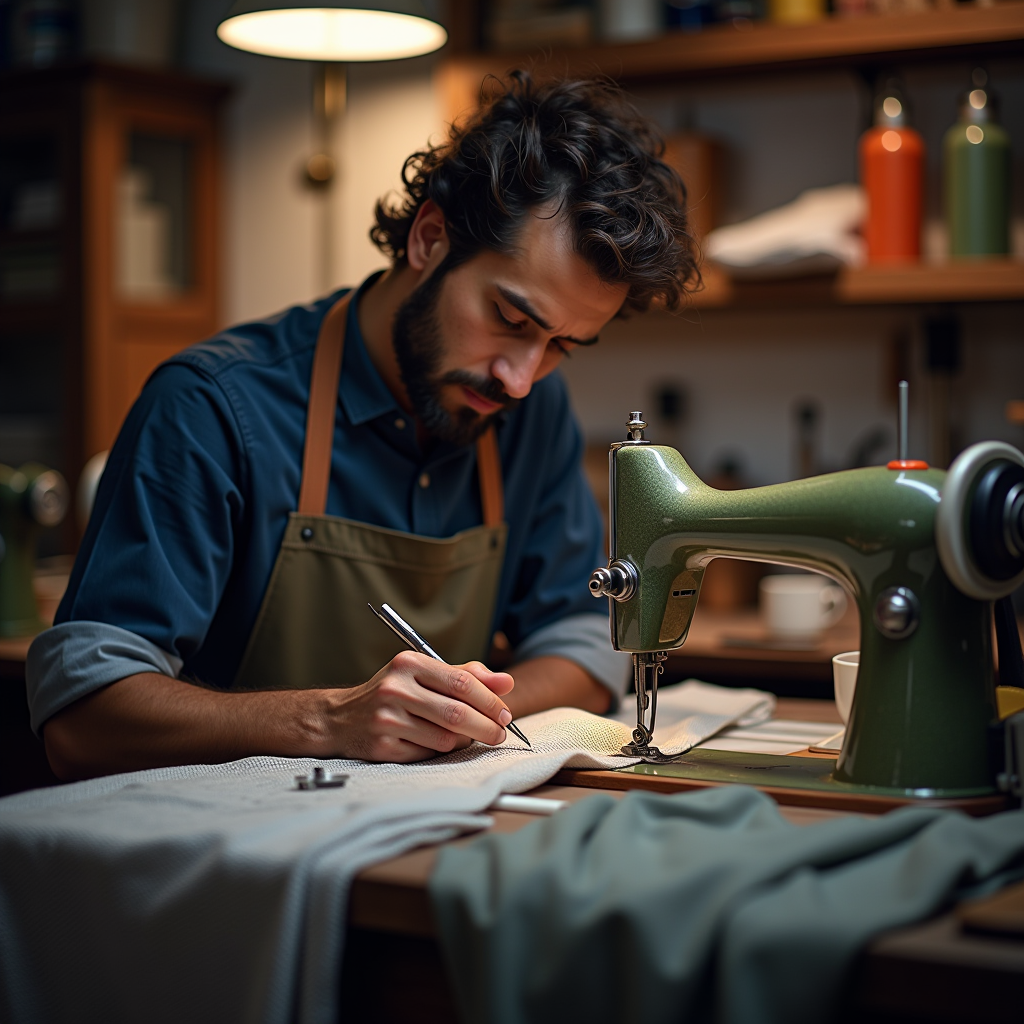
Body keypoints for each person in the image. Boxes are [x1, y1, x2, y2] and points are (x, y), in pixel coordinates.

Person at [28, 71, 698, 780]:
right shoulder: (211, 407)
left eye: (561, 345)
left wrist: (461, 712)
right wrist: (331, 718)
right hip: (220, 845)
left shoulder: (529, 416)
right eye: (510, 319)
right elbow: (84, 715)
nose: (521, 379)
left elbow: (579, 639)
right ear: (430, 238)